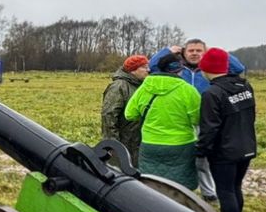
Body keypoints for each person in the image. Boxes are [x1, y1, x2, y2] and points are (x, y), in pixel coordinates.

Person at [149, 39, 247, 202]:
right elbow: (152, 66)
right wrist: (167, 51)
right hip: (183, 120)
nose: (194, 53)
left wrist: (213, 50)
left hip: (208, 119)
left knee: (205, 158)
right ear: (183, 53)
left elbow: (238, 68)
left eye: (199, 51)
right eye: (191, 50)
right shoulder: (179, 69)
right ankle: (184, 189)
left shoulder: (210, 70)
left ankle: (209, 191)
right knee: (186, 156)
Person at [196, 48, 257, 212]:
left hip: (224, 152)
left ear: (206, 69)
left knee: (225, 192)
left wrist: (200, 150)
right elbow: (251, 116)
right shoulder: (245, 86)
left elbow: (210, 128)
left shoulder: (212, 94)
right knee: (236, 188)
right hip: (246, 146)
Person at [124, 53, 201, 189]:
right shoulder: (188, 90)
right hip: (181, 145)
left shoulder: (145, 87)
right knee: (181, 188)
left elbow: (129, 114)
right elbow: (197, 119)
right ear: (180, 69)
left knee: (151, 186)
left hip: (150, 144)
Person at [101, 54, 149, 166]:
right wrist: (113, 144)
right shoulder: (119, 86)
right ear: (133, 70)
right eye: (144, 67)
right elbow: (109, 115)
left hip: (138, 143)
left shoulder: (142, 86)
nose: (148, 70)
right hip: (124, 143)